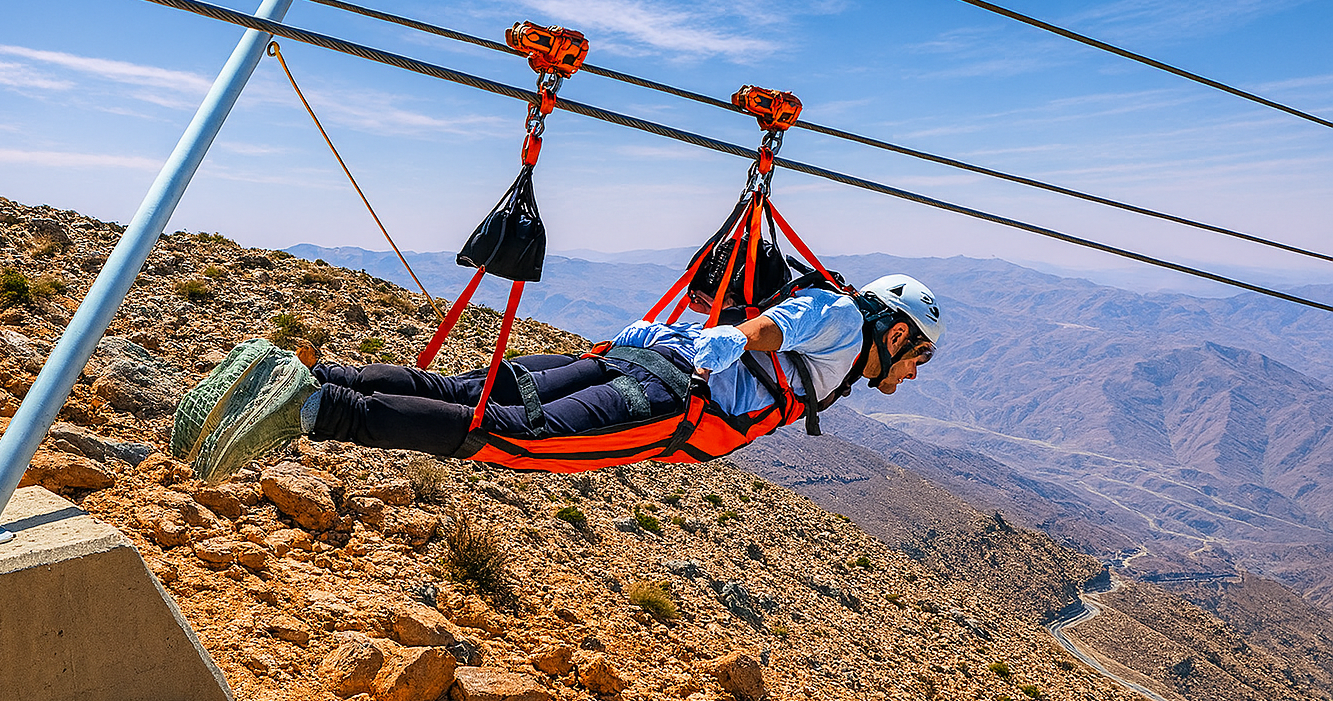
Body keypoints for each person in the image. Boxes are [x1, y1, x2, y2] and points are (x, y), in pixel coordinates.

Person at [174, 270, 942, 482]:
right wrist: (737, 341)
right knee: (512, 441)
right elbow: (771, 329)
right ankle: (315, 409)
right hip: (668, 395)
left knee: (466, 390)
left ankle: (298, 372)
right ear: (899, 330)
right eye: (916, 359)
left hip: (628, 359)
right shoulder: (842, 316)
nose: (907, 376)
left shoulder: (831, 313)